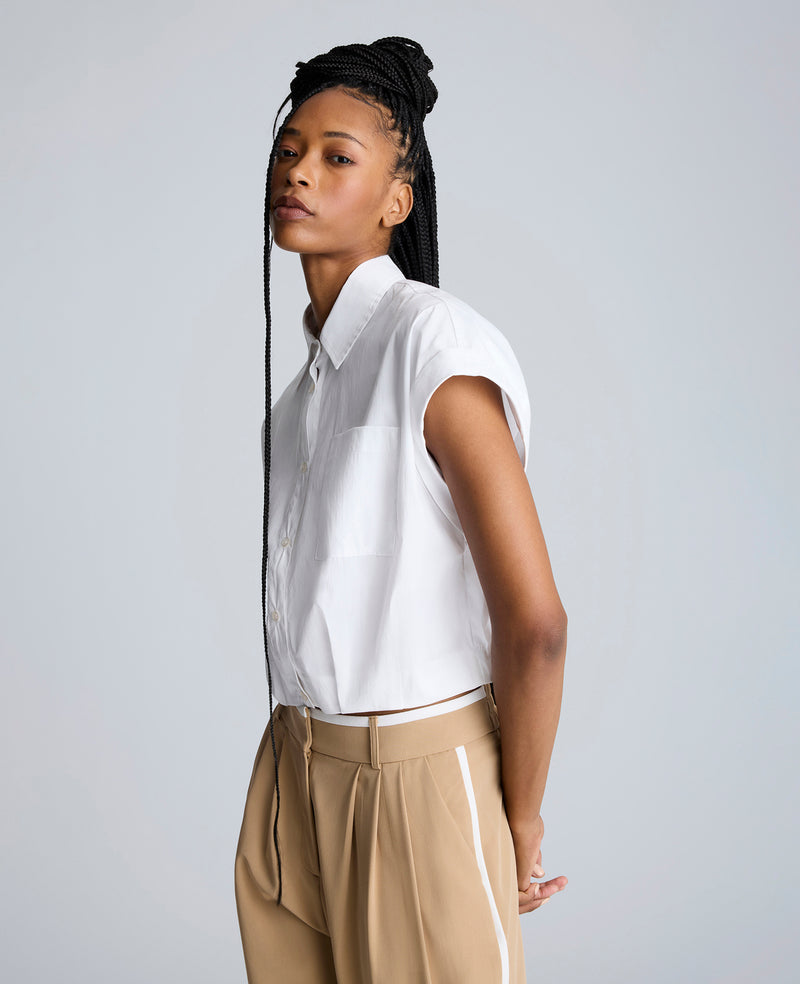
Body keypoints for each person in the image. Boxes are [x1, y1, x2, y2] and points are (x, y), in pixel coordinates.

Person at [234, 36, 568, 984]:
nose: (299, 171)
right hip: (292, 775)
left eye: (337, 156)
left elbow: (536, 624)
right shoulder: (297, 403)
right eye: (289, 149)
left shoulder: (433, 347)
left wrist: (519, 813)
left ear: (397, 201)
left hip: (415, 782)